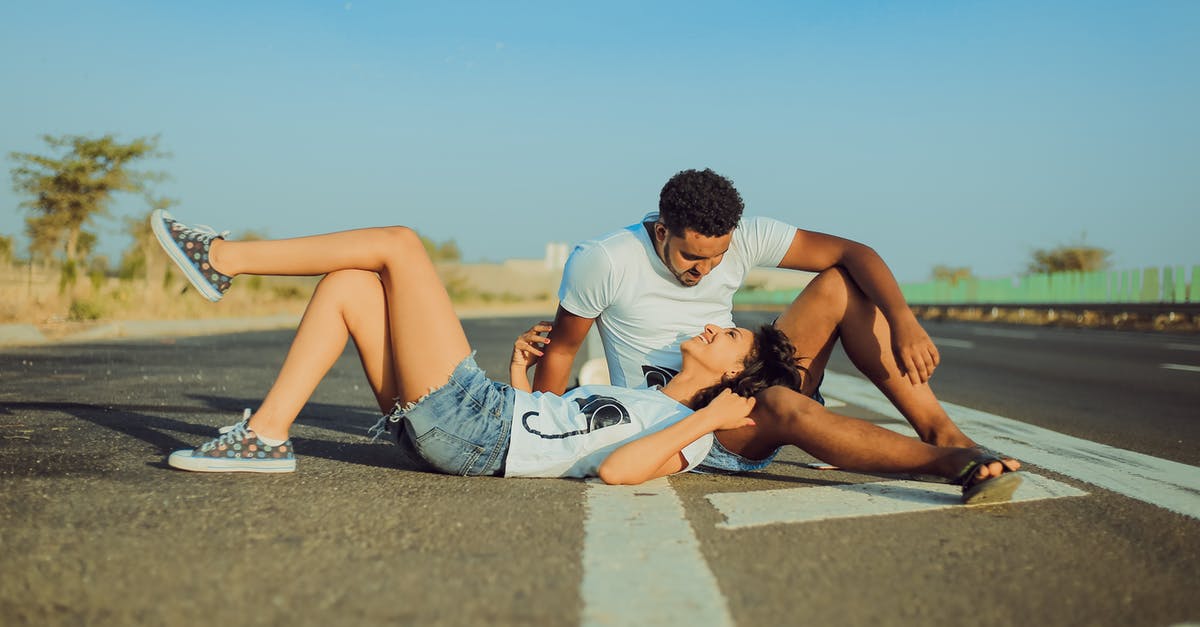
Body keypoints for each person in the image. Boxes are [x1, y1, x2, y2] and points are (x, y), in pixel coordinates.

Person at [150, 210, 1021, 501]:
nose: (716, 309)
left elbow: (617, 467)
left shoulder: (690, 419)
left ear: (728, 380)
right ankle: (264, 435)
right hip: (486, 416)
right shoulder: (648, 358)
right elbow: (566, 412)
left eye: (724, 332)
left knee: (401, 247)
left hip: (476, 429)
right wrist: (530, 380)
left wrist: (716, 413)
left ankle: (222, 257)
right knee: (351, 284)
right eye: (714, 310)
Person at [533, 168, 1016, 476]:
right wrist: (547, 438)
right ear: (662, 231)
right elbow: (560, 351)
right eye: (692, 257)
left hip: (743, 371)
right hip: (686, 423)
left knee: (840, 281)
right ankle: (950, 464)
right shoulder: (604, 259)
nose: (705, 270)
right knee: (783, 403)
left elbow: (855, 251)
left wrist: (902, 318)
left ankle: (942, 434)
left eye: (718, 256)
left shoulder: (744, 238)